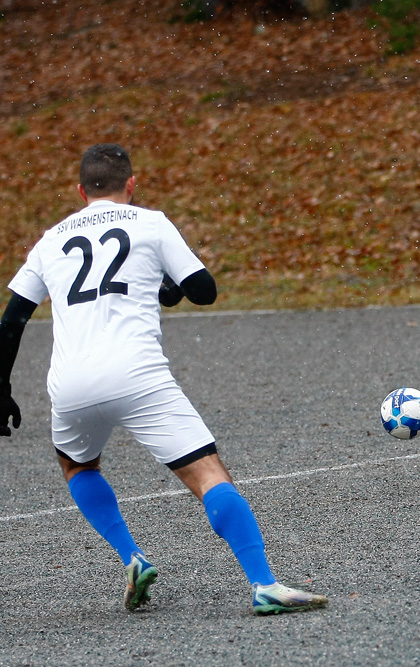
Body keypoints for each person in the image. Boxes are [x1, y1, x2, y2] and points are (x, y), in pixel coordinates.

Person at [0, 143, 329, 615]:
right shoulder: (149, 222)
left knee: (76, 465)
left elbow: (11, 322)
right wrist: (167, 285)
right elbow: (205, 291)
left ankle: (132, 556)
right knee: (207, 474)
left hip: (70, 384)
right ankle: (264, 584)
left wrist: (0, 389)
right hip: (137, 376)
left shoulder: (52, 239)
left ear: (80, 190)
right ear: (130, 185)